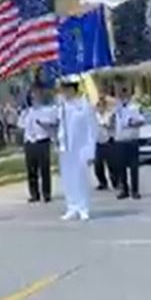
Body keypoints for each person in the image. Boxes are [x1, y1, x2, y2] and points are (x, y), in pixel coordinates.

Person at [55, 78, 98, 220]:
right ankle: (72, 206)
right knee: (68, 178)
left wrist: (91, 150)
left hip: (81, 147)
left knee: (81, 178)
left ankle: (83, 207)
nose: (64, 92)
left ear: (73, 89)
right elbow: (59, 126)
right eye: (63, 90)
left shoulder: (83, 105)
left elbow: (92, 128)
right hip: (65, 147)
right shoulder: (61, 106)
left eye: (67, 89)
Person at [21, 87, 57, 203]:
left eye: (36, 96)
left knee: (44, 169)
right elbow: (20, 125)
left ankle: (46, 194)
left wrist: (44, 124)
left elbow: (53, 124)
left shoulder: (47, 110)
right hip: (30, 142)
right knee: (31, 170)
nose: (34, 99)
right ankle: (34, 194)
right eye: (32, 97)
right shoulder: (26, 112)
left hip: (42, 141)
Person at [113, 87, 145, 199]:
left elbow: (142, 120)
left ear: (128, 95)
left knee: (133, 167)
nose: (121, 97)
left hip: (131, 140)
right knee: (120, 167)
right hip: (119, 140)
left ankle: (135, 191)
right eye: (119, 94)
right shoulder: (116, 108)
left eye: (124, 94)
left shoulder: (135, 107)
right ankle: (124, 189)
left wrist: (131, 122)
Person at [93, 96, 118, 191]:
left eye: (102, 105)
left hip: (109, 141)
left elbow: (111, 124)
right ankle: (102, 182)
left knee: (112, 164)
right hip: (98, 143)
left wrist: (106, 124)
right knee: (98, 165)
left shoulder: (110, 114)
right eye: (99, 106)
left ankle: (116, 182)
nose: (100, 108)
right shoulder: (94, 116)